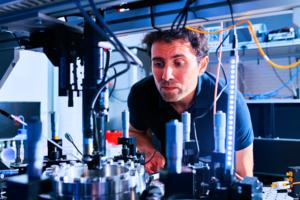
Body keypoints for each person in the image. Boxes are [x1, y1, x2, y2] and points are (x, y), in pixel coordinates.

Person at [127, 27, 254, 178]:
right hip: (170, 181)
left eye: (179, 63)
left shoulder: (230, 102)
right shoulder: (141, 94)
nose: (166, 76)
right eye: (159, 64)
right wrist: (149, 151)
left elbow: (244, 176)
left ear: (202, 65)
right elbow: (135, 132)